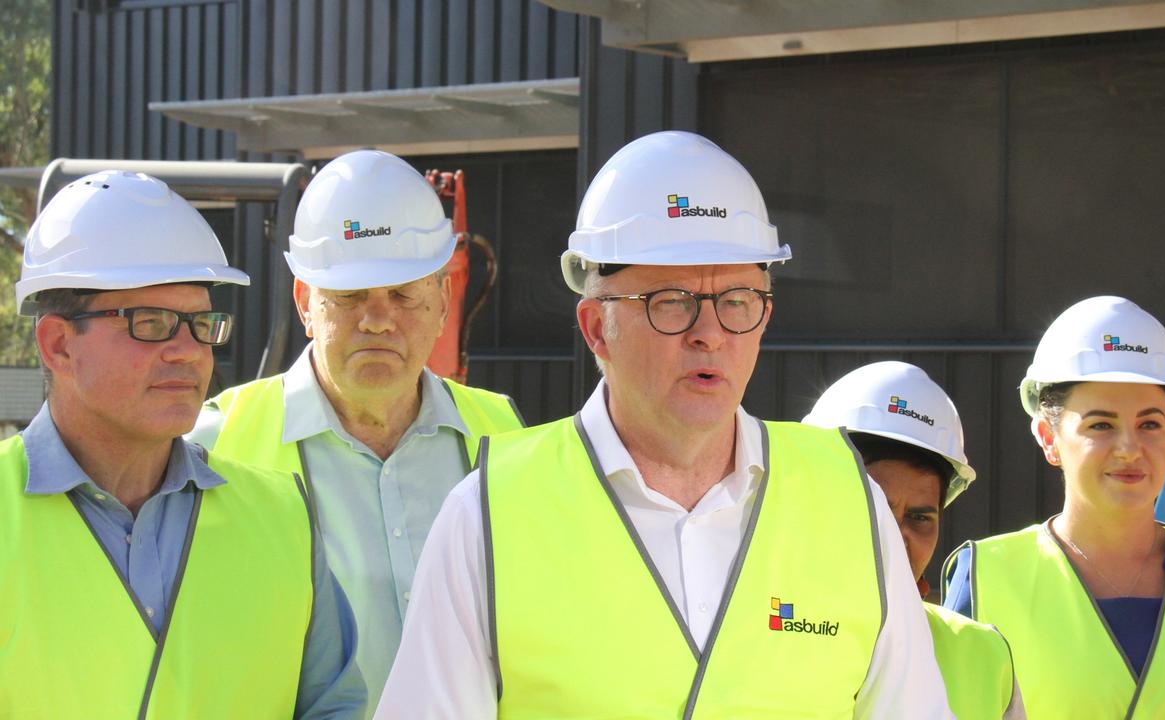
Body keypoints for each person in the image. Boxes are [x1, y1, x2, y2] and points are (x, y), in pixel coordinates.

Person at [376, 130, 952, 718]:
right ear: (597, 328)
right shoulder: (487, 516)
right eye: (671, 300)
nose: (710, 332)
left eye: (736, 300)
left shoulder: (850, 502)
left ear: (764, 318)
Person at [1, 170, 364, 718]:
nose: (189, 352)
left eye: (201, 324)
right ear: (58, 345)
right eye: (151, 323)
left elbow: (332, 705)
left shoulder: (283, 519)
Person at [188, 148, 525, 713]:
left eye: (402, 294)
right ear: (305, 303)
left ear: (443, 302)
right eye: (348, 297)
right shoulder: (213, 445)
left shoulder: (505, 434)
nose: (377, 318)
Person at [942, 295, 1165, 718]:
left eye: (1149, 424)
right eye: (1101, 425)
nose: (1129, 448)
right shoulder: (985, 579)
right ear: (1049, 438)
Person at [805, 360, 1025, 719]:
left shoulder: (983, 655)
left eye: (920, 517)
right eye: (875, 509)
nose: (897, 536)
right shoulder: (754, 631)